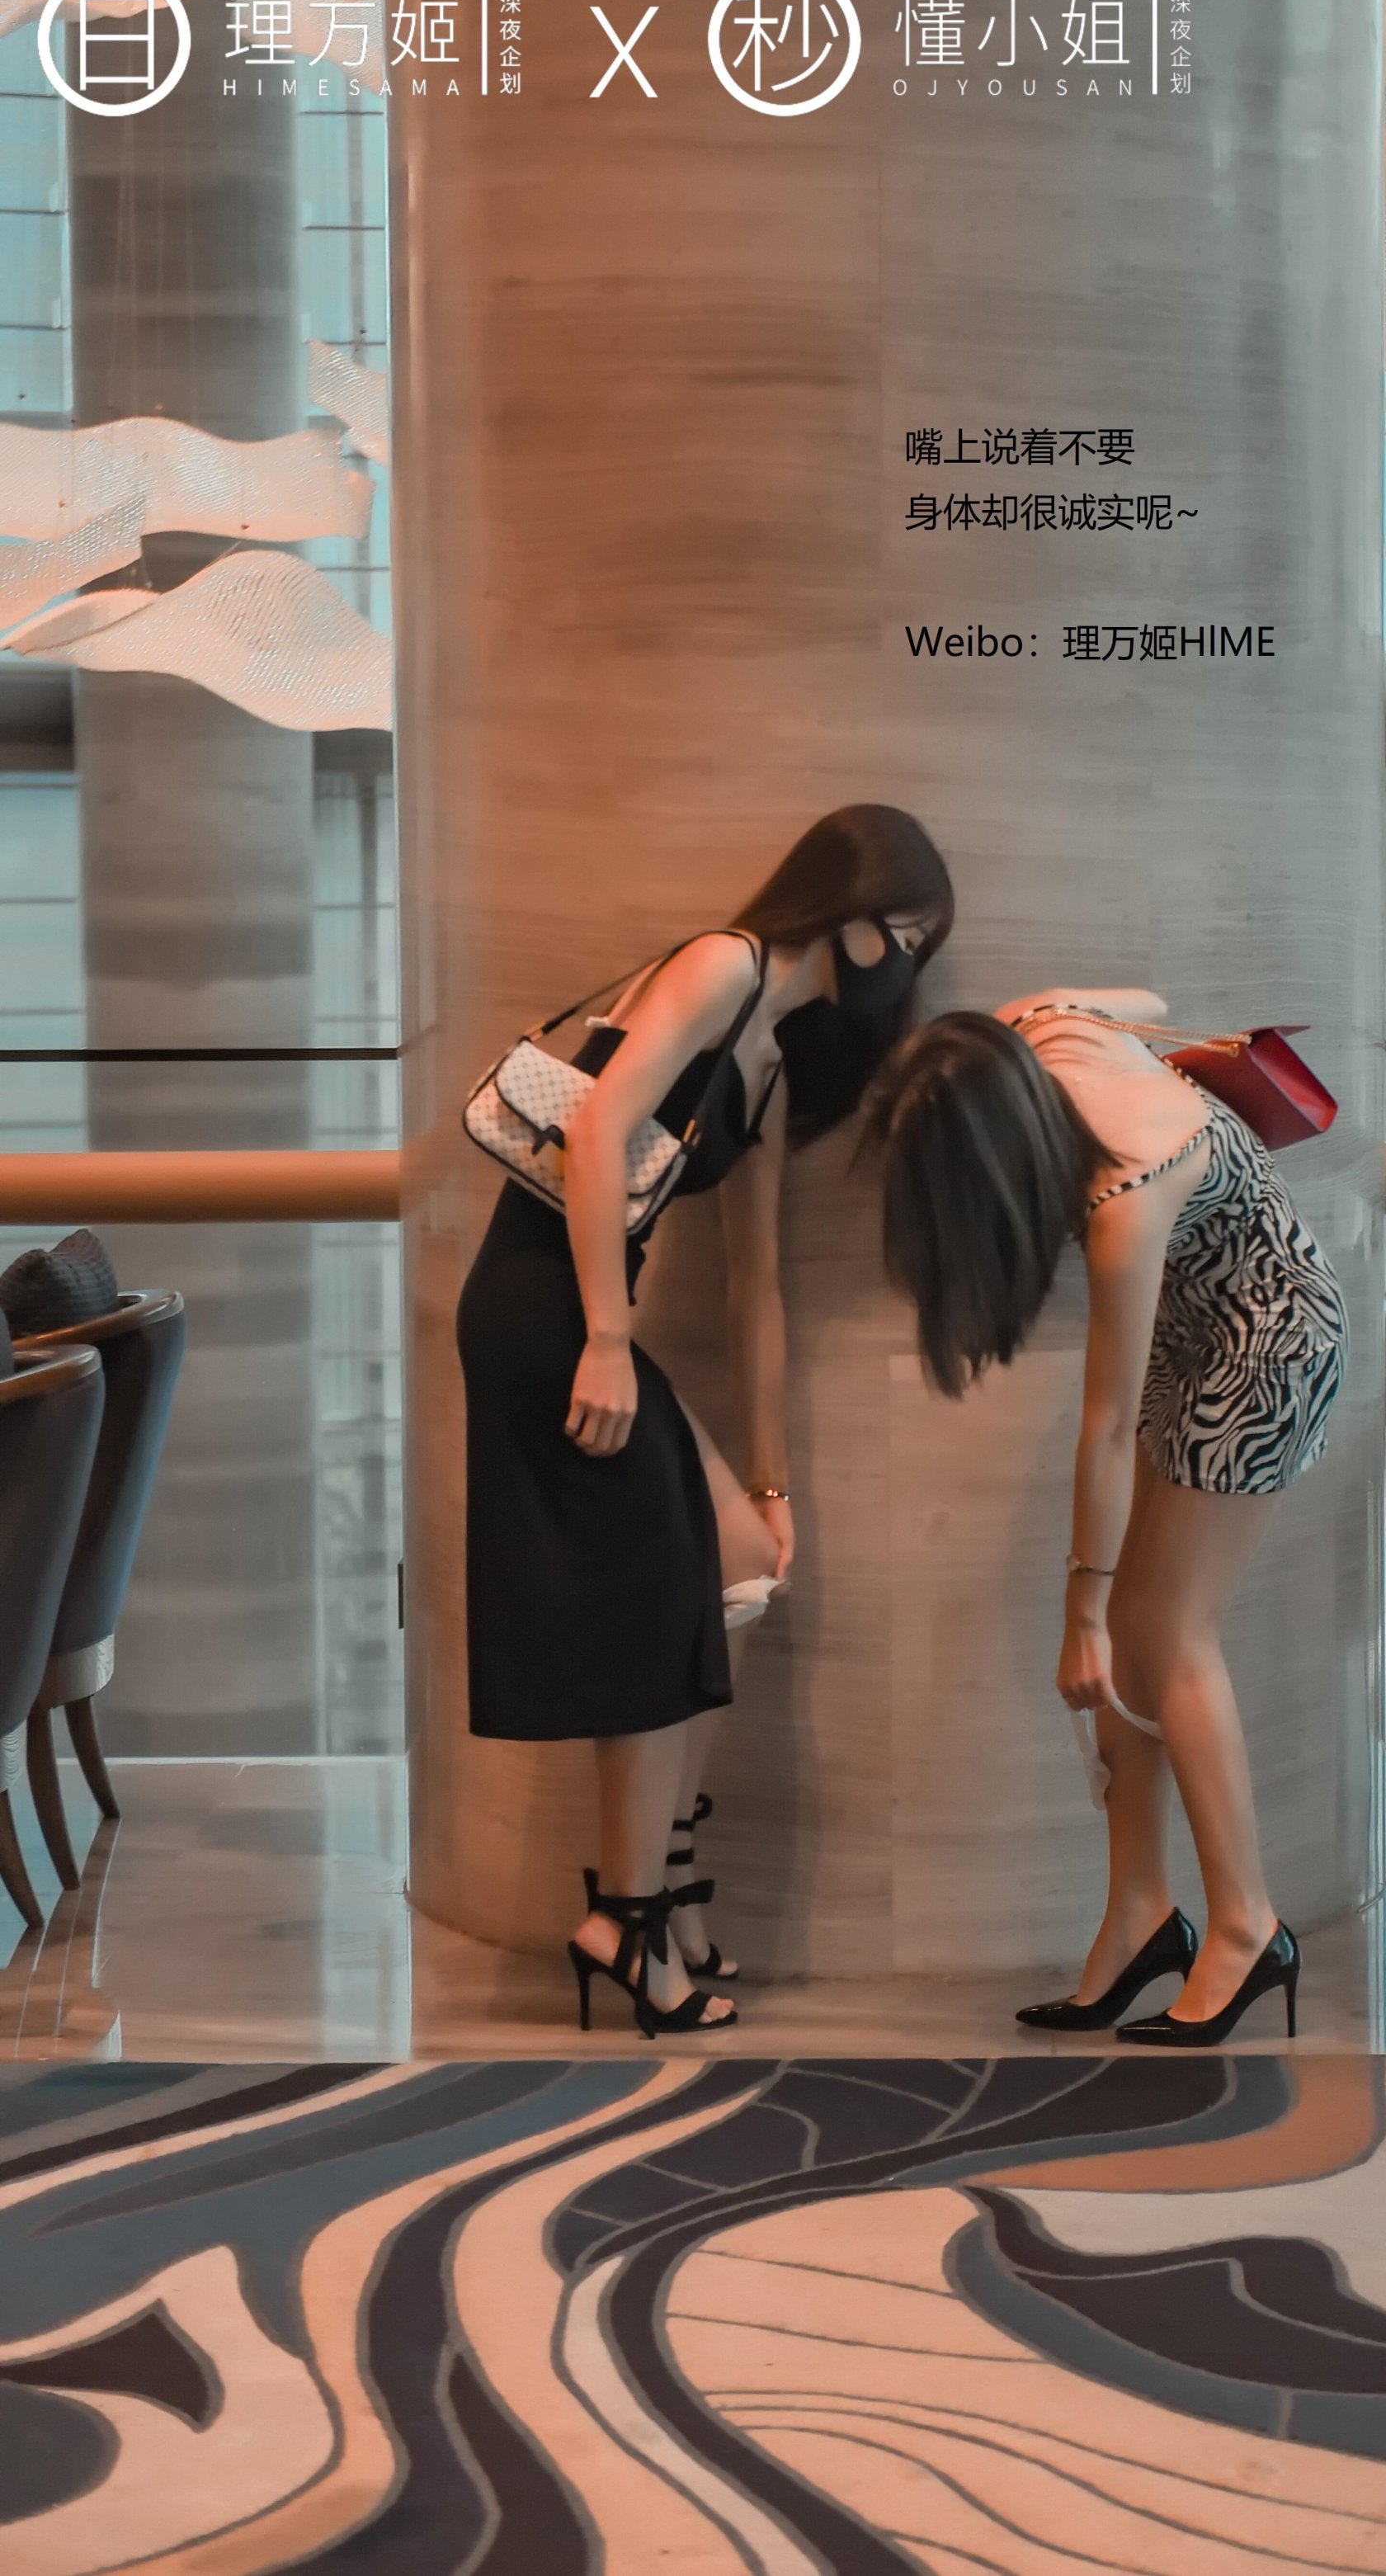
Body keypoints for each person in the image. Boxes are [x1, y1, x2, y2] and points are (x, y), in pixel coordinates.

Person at [457, 804, 954, 2037]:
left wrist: (773, 1488)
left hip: (581, 1316)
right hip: (544, 1312)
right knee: (649, 1604)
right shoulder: (721, 963)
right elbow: (594, 1128)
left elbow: (755, 1291)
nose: (903, 962)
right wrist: (607, 1337)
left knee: (734, 1564)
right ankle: (624, 1921)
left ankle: (662, 1890)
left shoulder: (772, 1058)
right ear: (847, 914)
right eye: (902, 934)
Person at [867, 993, 1346, 2044]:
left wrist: (1079, 1615)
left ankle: (1246, 1926)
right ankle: (1139, 1914)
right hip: (1196, 1325)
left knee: (1163, 1634)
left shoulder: (1128, 1193)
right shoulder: (1042, 1023)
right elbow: (1148, 1003)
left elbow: (1105, 1427)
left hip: (1271, 1342)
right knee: (1138, 1641)